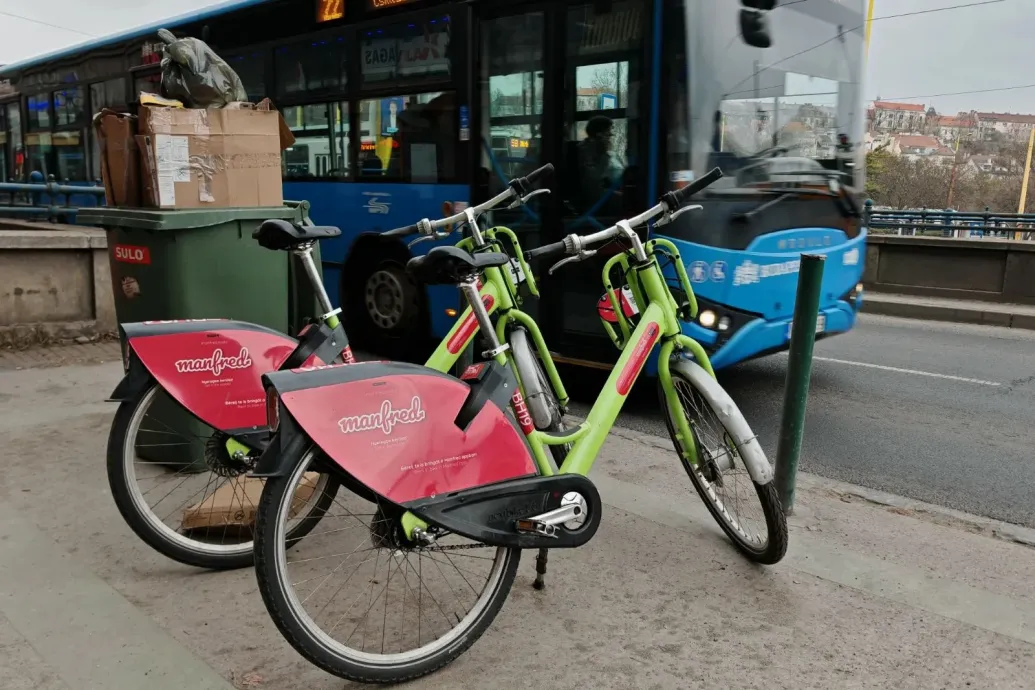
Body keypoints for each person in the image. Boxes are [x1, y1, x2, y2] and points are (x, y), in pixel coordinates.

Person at [577, 115, 622, 214]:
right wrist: (605, 154)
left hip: (600, 191)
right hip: (592, 196)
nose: (610, 136)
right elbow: (595, 176)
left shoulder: (598, 149)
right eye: (608, 132)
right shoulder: (585, 150)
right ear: (599, 134)